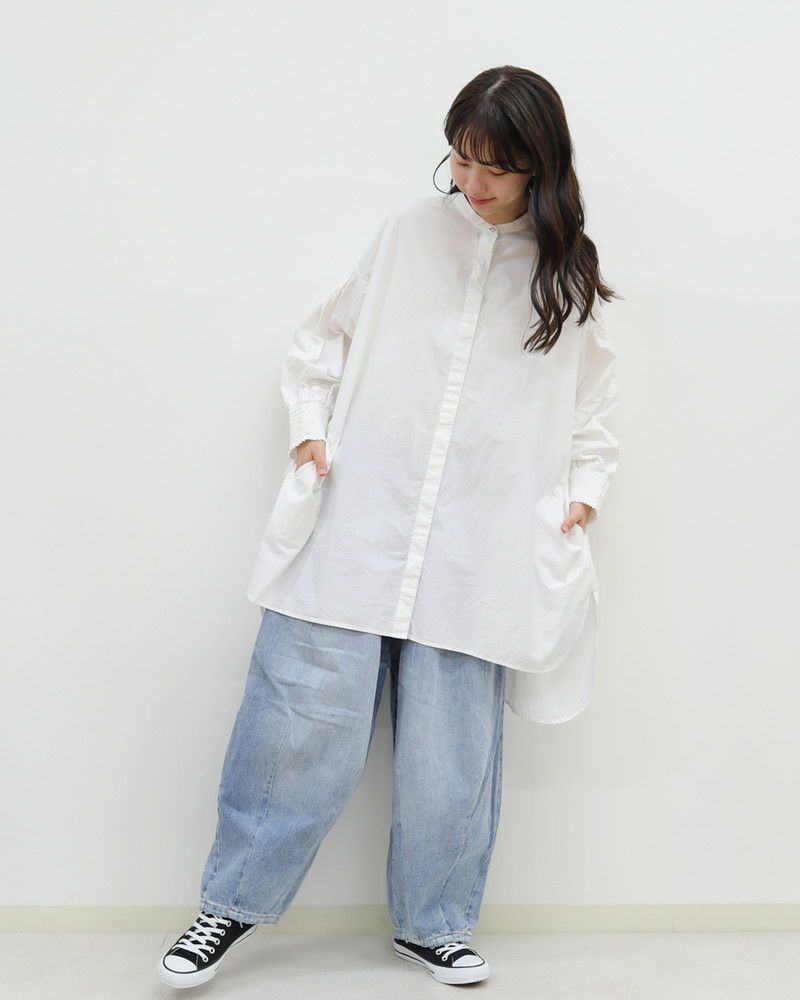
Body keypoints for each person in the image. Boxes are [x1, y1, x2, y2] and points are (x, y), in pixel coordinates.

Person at [158, 63, 621, 990]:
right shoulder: (408, 235)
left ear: (539, 166)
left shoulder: (566, 274)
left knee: (454, 755)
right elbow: (320, 339)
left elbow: (592, 404)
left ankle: (433, 925)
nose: (472, 181)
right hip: (360, 523)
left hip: (482, 541)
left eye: (495, 166)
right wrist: (310, 430)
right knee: (294, 726)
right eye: (460, 159)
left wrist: (585, 490)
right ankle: (230, 906)